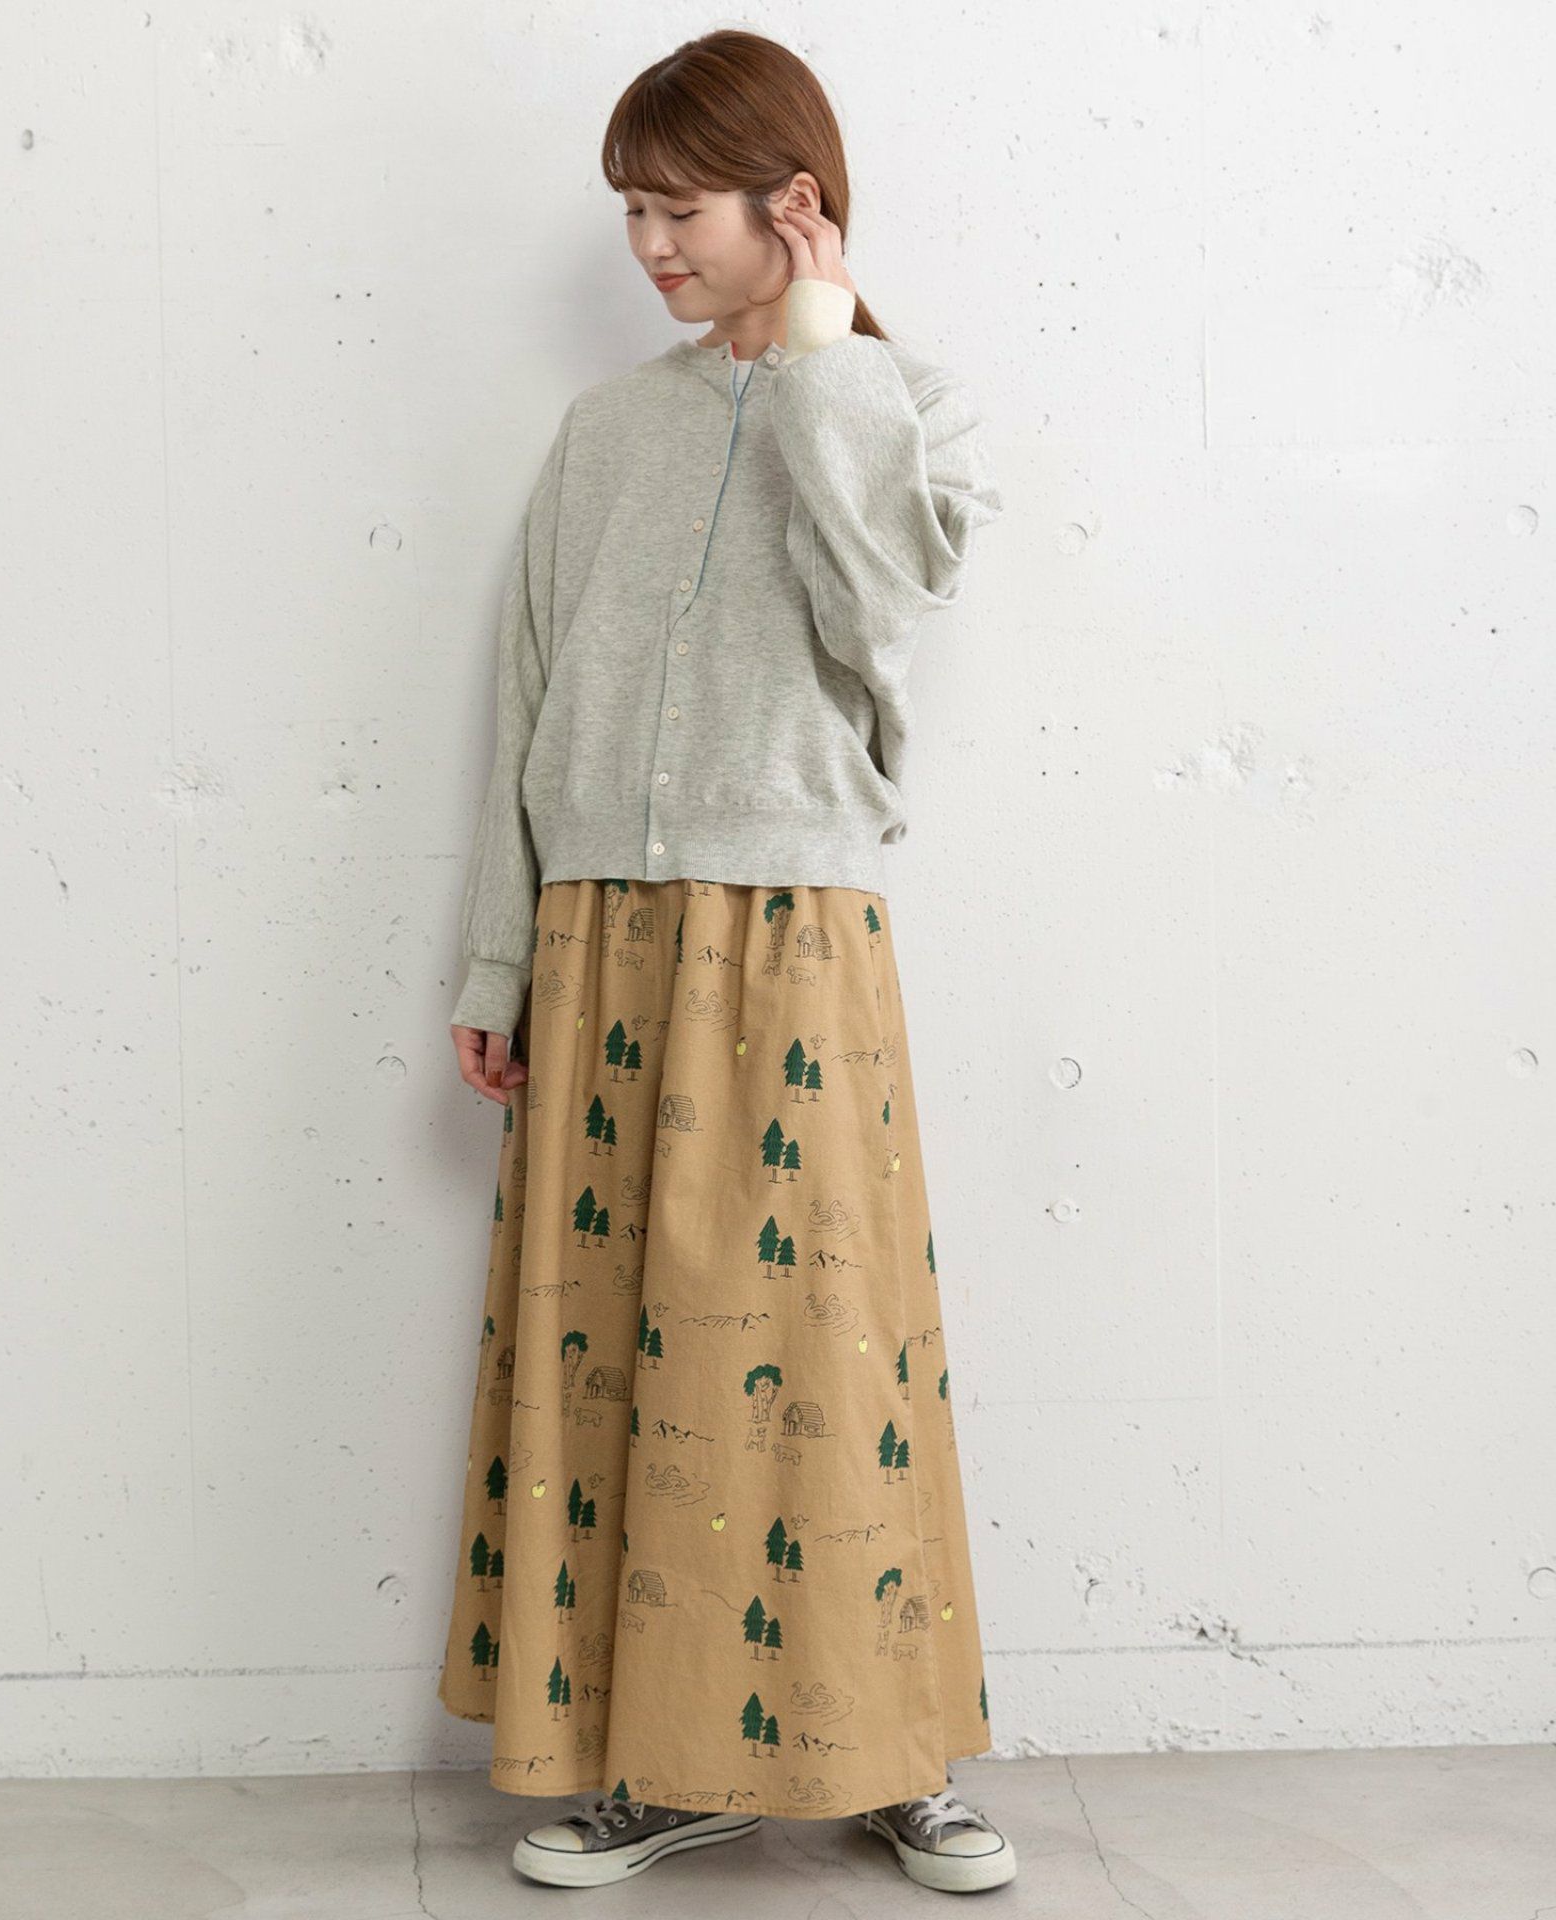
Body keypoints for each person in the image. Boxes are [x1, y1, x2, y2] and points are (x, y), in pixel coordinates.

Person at [434, 28, 1014, 1897]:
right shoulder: (608, 430)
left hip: (790, 938)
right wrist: (501, 962)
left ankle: (891, 1757)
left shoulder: (908, 408)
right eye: (631, 213)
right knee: (621, 1365)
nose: (649, 248)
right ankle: (655, 1766)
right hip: (600, 938)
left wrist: (826, 365)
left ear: (796, 203)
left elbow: (886, 618)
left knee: (826, 1357)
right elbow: (529, 703)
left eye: (676, 209)